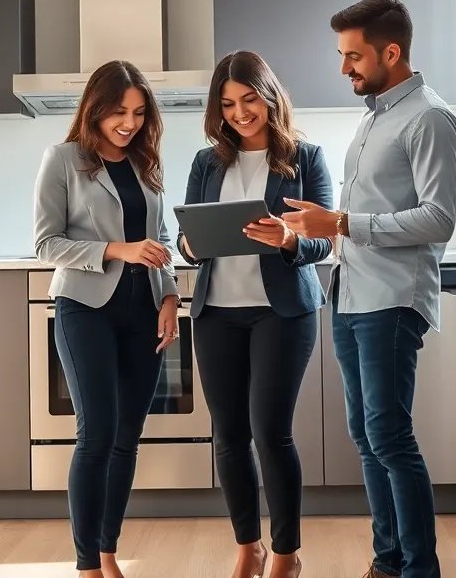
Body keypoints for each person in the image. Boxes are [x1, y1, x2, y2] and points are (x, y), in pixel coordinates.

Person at [283, 0, 456, 578]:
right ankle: (388, 562)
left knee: (388, 433)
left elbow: (439, 218)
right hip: (351, 293)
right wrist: (318, 228)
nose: (344, 68)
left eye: (353, 56)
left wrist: (339, 223)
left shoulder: (429, 118)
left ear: (391, 52)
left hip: (393, 298)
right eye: (342, 55)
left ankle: (419, 569)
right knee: (366, 434)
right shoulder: (373, 117)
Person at [177, 51, 335, 578]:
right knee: (229, 436)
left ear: (269, 97)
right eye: (228, 104)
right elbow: (187, 237)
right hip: (216, 312)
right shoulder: (207, 162)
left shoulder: (306, 158)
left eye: (249, 100)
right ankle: (249, 547)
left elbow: (324, 240)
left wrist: (289, 239)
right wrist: (189, 245)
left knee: (270, 432)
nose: (240, 113)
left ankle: (287, 553)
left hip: (281, 313)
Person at [32, 60, 182, 578]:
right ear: (95, 108)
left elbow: (160, 242)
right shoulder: (63, 159)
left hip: (145, 312)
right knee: (96, 434)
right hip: (86, 310)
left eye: (139, 113)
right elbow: (46, 244)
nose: (129, 123)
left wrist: (170, 297)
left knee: (126, 439)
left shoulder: (146, 162)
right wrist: (118, 248)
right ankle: (86, 566)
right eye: (119, 112)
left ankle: (107, 554)